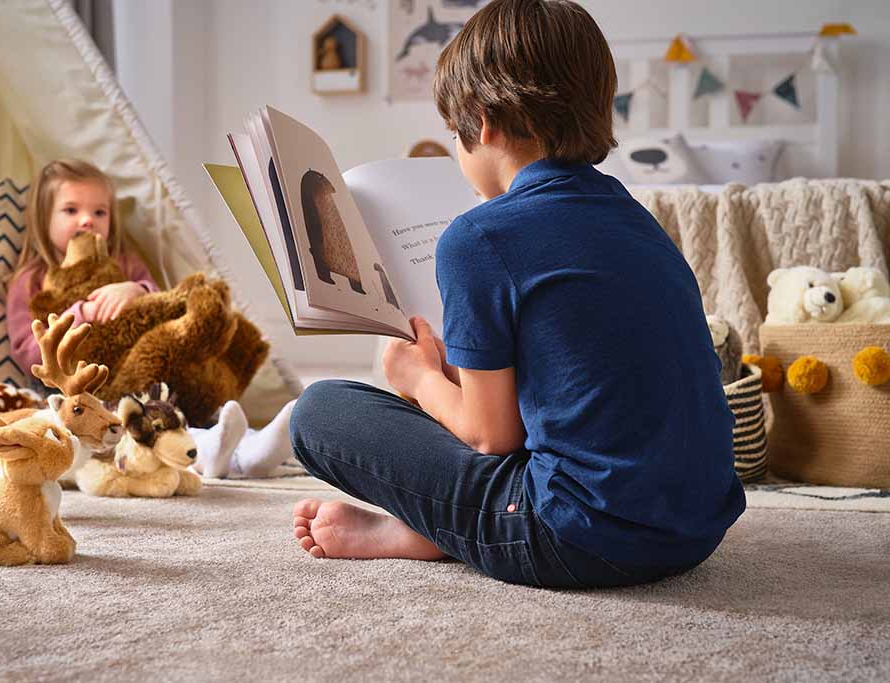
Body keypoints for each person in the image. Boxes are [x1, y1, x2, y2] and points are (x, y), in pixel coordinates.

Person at [289, 0, 745, 588]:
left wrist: (419, 378)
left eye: (454, 133)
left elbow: (491, 436)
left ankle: (444, 531)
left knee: (319, 410)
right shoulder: (636, 219)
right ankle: (439, 528)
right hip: (695, 530)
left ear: (481, 121)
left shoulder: (478, 235)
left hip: (575, 537)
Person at [6, 159, 158, 380]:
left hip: (127, 373)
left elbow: (163, 303)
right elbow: (28, 356)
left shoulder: (125, 263)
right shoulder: (30, 280)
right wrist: (82, 315)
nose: (87, 220)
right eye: (71, 210)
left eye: (99, 212)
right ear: (44, 217)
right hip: (68, 388)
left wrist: (137, 290)